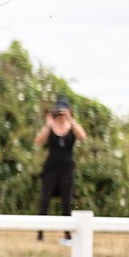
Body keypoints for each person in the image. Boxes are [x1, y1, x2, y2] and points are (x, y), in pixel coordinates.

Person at [33, 96, 88, 242]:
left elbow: (83, 137)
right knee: (45, 201)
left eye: (64, 111)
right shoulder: (50, 127)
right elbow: (38, 141)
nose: (61, 114)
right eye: (59, 111)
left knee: (66, 201)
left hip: (67, 168)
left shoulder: (72, 127)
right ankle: (40, 233)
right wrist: (48, 125)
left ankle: (68, 234)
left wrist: (71, 120)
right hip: (50, 168)